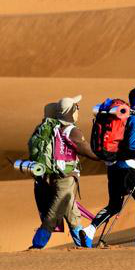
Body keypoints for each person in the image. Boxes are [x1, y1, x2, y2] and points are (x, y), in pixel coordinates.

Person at [82, 87, 135, 248]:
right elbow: (132, 145)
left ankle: (89, 229)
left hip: (113, 166)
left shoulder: (123, 116)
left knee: (114, 205)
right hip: (130, 167)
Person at [28, 95, 99, 250]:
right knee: (53, 216)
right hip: (65, 180)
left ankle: (85, 247)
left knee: (73, 216)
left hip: (50, 177)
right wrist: (107, 155)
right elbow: (89, 151)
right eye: (76, 108)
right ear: (72, 111)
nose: (78, 110)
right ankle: (36, 246)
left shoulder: (48, 128)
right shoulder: (71, 131)